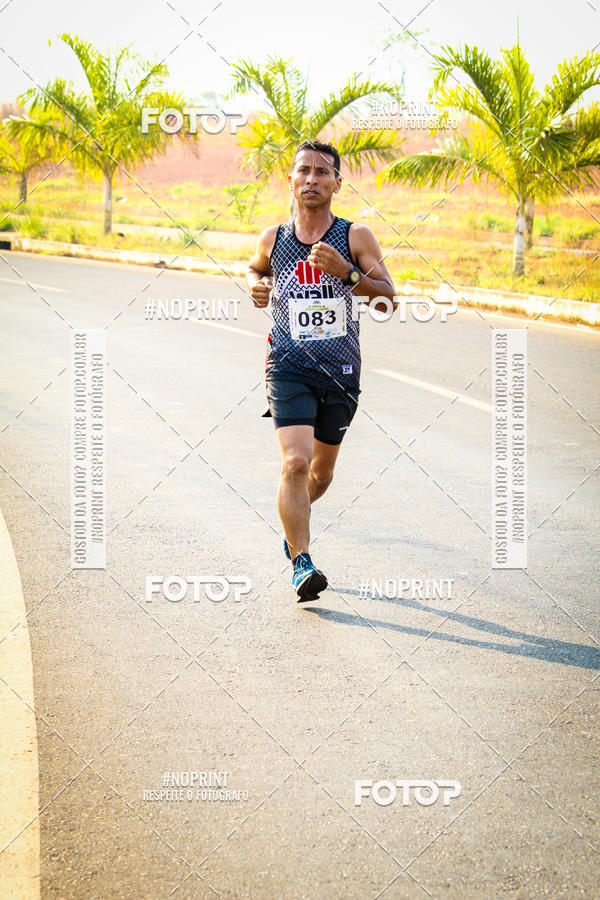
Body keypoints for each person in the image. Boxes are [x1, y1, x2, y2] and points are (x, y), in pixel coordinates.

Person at [246, 139, 396, 602]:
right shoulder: (274, 238)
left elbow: (388, 299)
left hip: (340, 372)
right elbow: (255, 269)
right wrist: (258, 285)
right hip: (287, 365)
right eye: (303, 171)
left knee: (321, 474)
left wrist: (348, 273)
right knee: (294, 462)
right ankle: (302, 562)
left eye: (321, 172)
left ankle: (293, 526)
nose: (311, 179)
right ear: (290, 180)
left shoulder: (355, 237)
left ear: (336, 182)